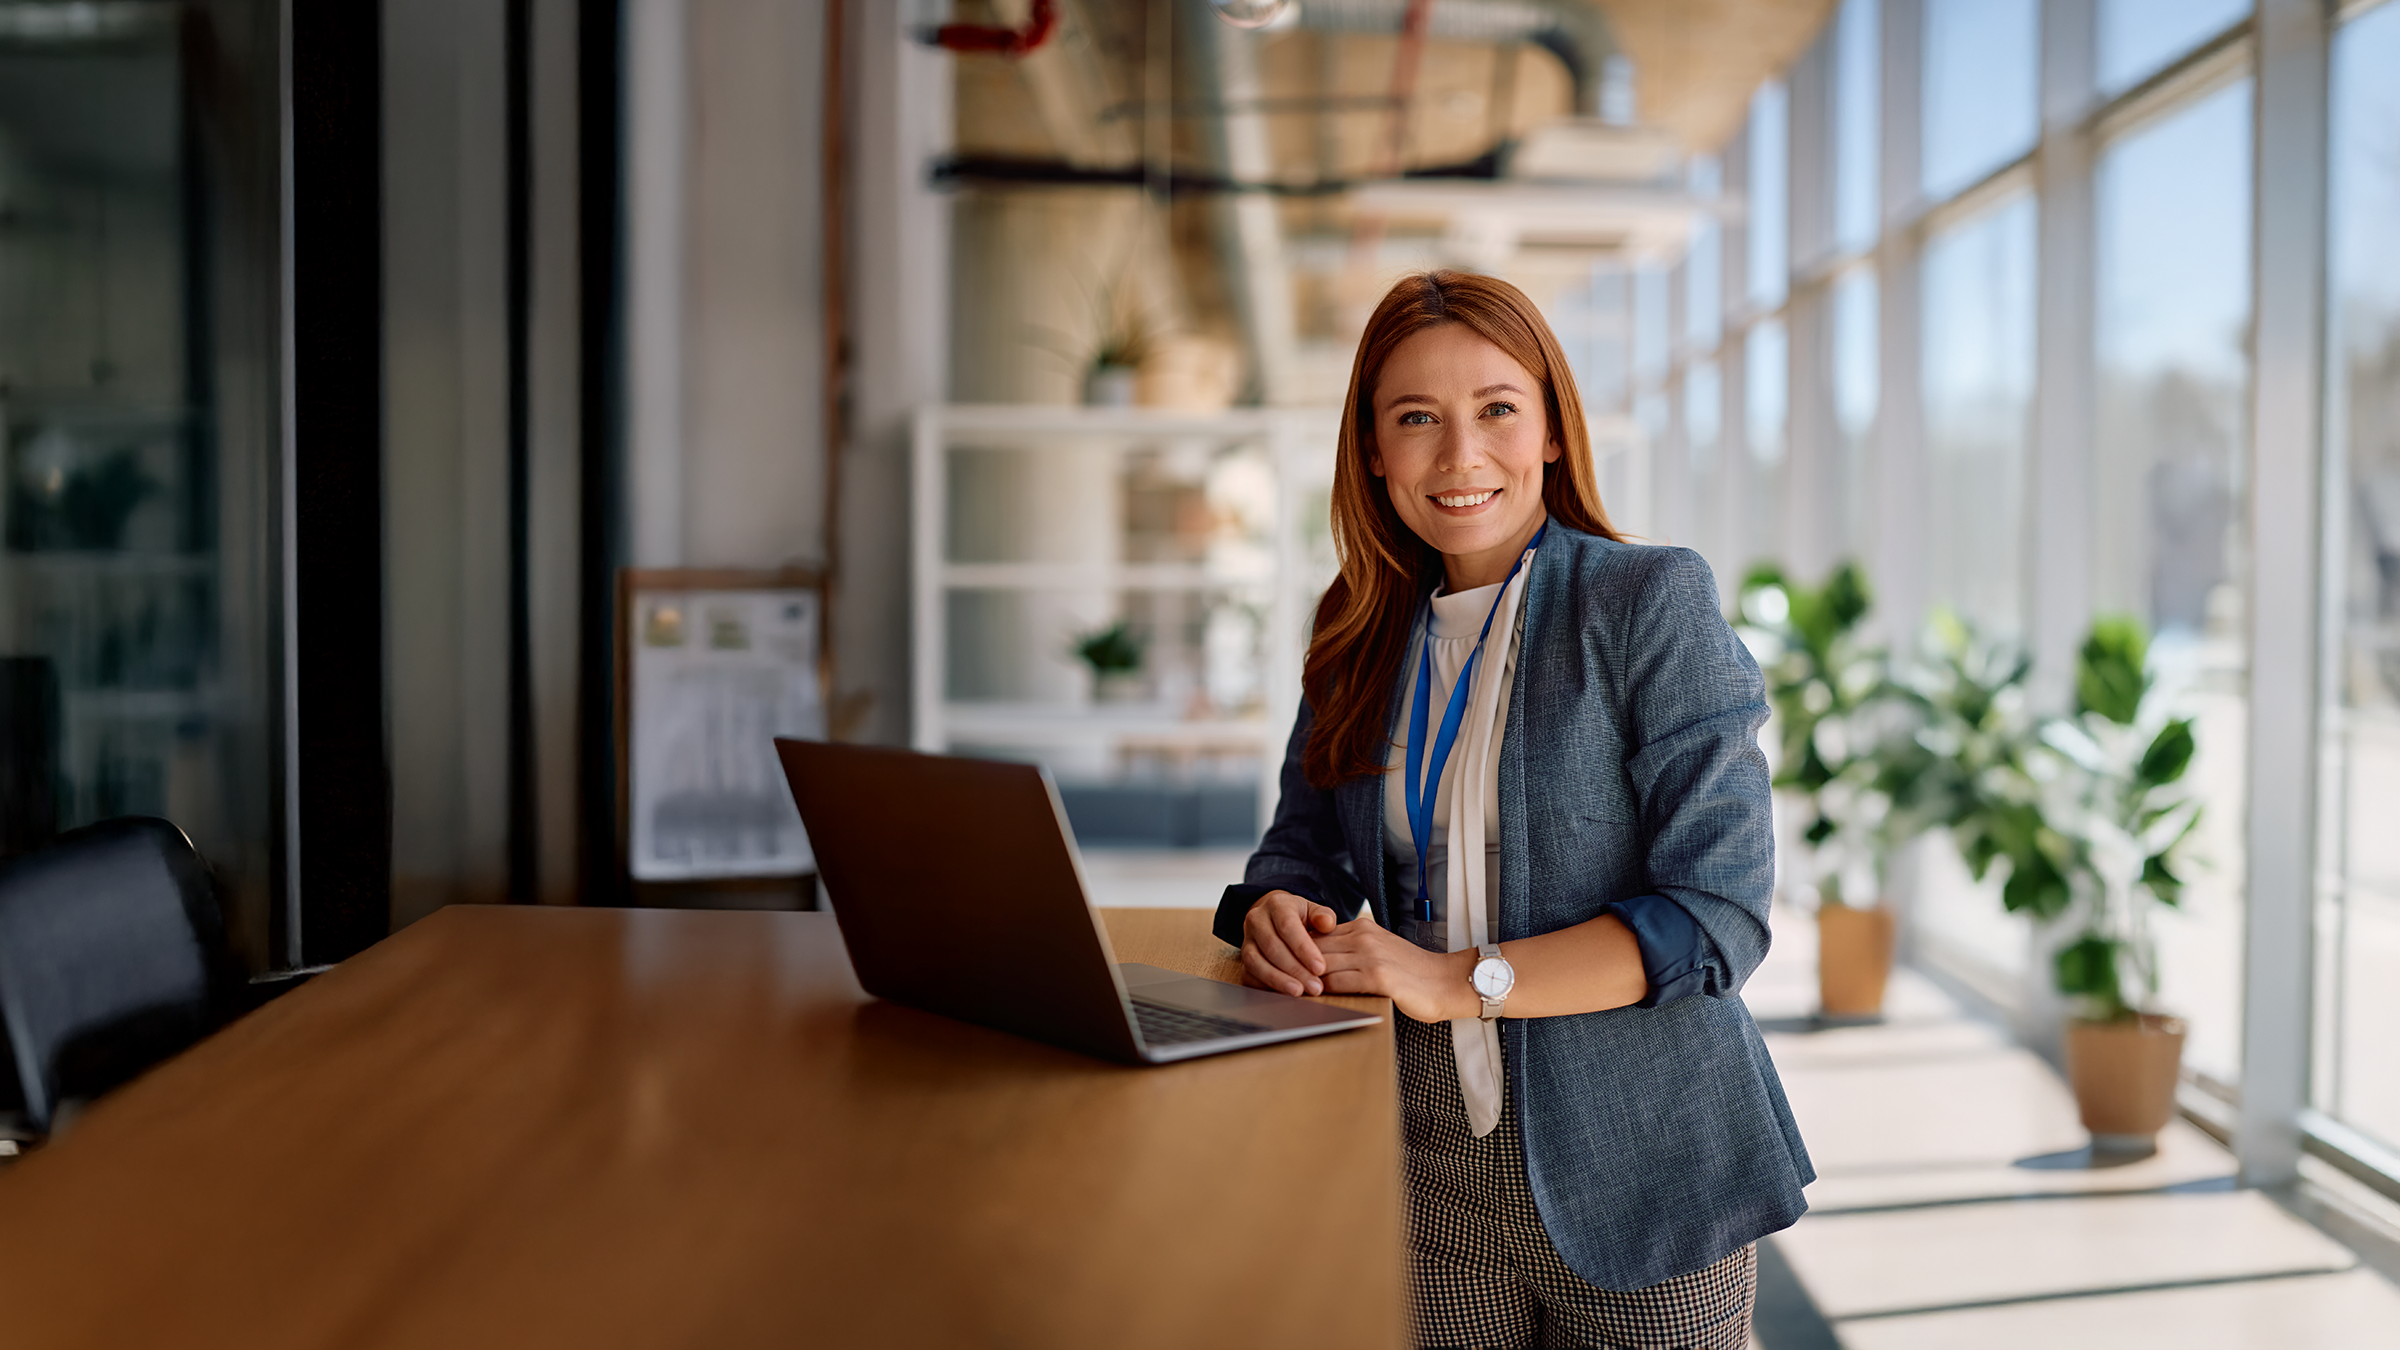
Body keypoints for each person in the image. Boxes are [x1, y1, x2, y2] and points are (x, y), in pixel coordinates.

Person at [1213, 271, 1811, 1350]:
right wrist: (1276, 903)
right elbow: (1303, 844)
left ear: (1547, 430)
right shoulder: (1355, 626)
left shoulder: (1646, 603)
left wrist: (1455, 979)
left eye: (1495, 409)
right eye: (1416, 420)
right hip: (1422, 1156)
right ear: (1372, 452)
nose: (1459, 456)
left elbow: (1719, 915)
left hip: (1639, 1159)